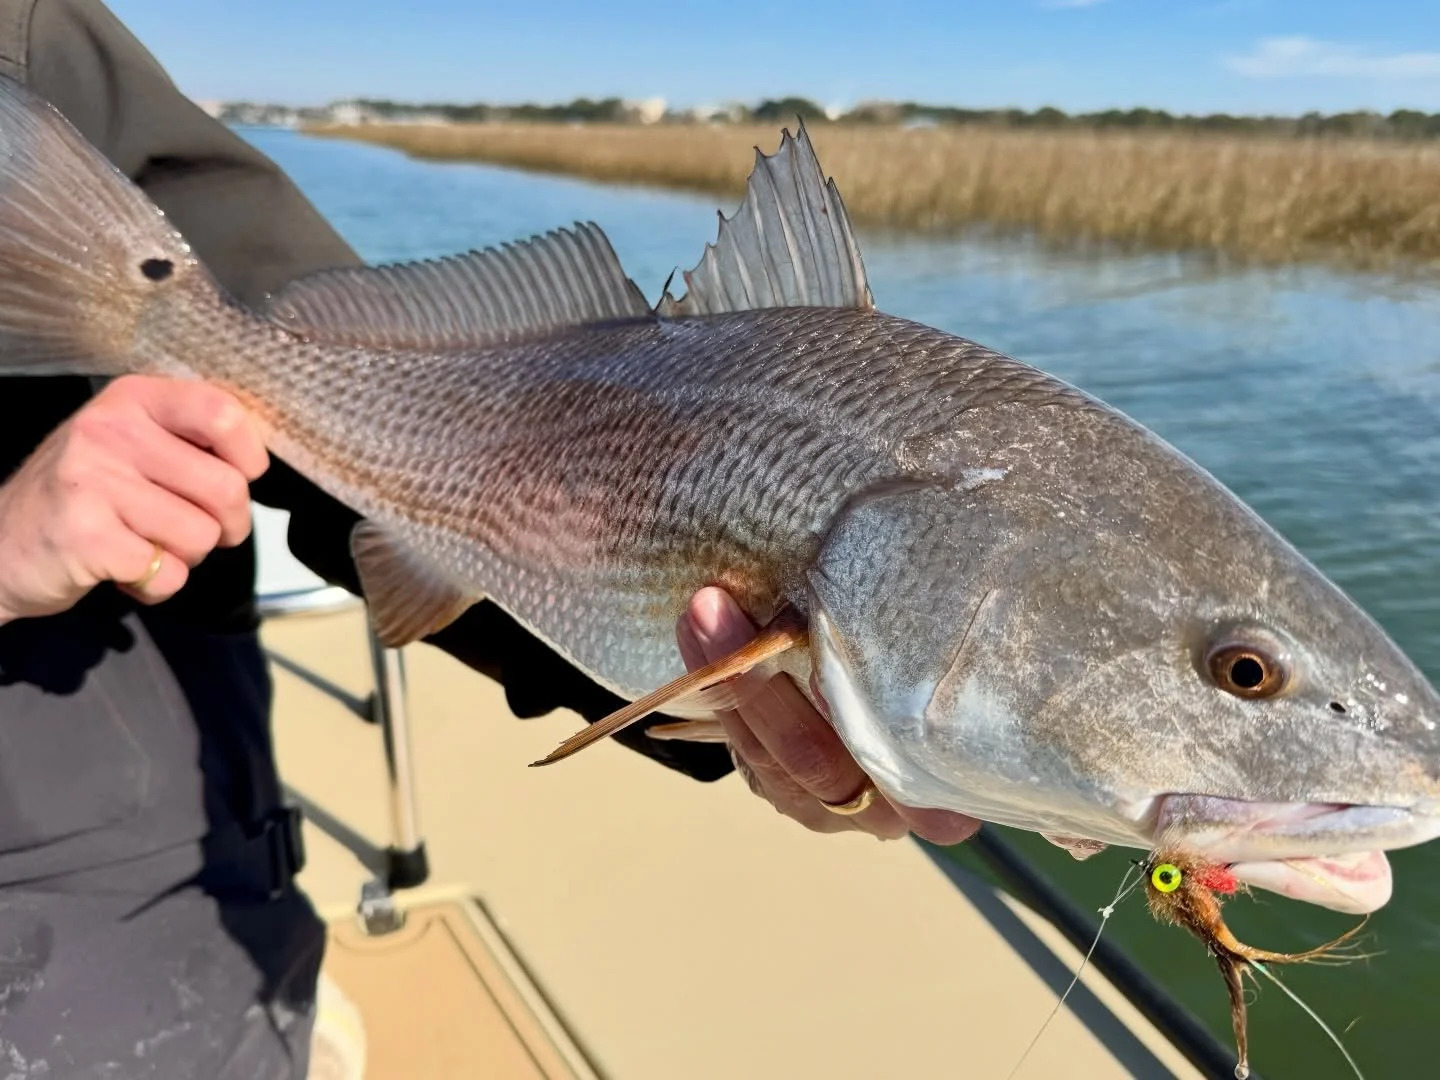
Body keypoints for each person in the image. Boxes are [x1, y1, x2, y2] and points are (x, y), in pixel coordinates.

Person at [0, 1, 980, 1075]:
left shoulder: (34, 40)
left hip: (149, 889)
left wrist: (700, 713)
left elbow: (316, 360)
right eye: (1211, 670)